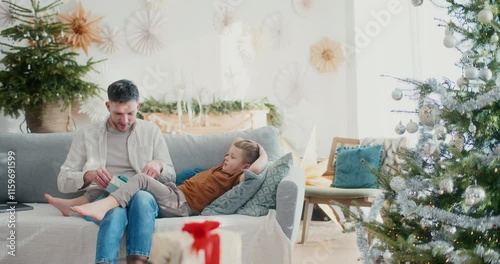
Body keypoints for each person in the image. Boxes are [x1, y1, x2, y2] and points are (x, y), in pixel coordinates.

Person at [45, 79, 175, 264]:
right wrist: (87, 176)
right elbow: (63, 180)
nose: (124, 120)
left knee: (141, 197)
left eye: (130, 113)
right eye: (118, 113)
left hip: (143, 196)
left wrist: (158, 165)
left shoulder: (151, 131)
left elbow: (171, 174)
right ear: (108, 106)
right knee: (114, 212)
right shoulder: (87, 134)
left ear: (139, 105)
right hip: (104, 196)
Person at [68, 138, 268, 221]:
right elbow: (238, 141)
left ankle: (102, 207)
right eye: (227, 154)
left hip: (182, 205)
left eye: (232, 157)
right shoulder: (224, 167)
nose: (226, 158)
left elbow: (257, 169)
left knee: (142, 179)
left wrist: (262, 152)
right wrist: (245, 148)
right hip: (174, 193)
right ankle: (73, 204)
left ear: (245, 167)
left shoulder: (237, 177)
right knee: (118, 181)